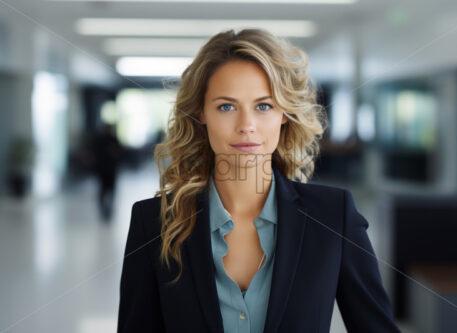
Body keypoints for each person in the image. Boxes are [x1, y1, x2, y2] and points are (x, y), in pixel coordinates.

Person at [117, 28, 401, 333]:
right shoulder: (153, 223)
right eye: (226, 106)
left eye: (263, 106)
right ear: (201, 113)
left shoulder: (334, 217)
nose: (247, 126)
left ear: (284, 113)